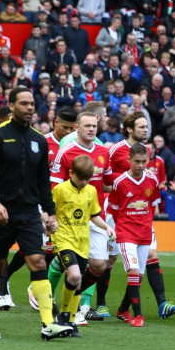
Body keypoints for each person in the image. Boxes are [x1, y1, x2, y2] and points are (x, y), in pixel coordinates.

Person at [0, 87, 72, 340]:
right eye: (23, 103)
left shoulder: (38, 140)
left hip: (30, 213)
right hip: (2, 213)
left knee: (38, 262)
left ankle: (47, 323)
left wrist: (50, 212)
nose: (30, 107)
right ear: (11, 106)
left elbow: (43, 181)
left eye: (32, 103)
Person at [106, 113, 175, 319]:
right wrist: (120, 187)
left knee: (148, 259)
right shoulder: (115, 149)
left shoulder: (147, 152)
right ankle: (97, 303)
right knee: (106, 260)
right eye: (141, 126)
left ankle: (161, 303)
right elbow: (103, 178)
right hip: (119, 213)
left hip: (141, 217)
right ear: (130, 128)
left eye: (147, 126)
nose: (146, 129)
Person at [50, 111, 113, 325]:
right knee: (75, 268)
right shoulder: (66, 152)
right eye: (87, 126)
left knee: (99, 265)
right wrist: (51, 215)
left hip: (94, 214)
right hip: (68, 218)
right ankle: (72, 307)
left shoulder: (104, 152)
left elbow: (107, 183)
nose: (91, 129)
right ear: (77, 127)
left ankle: (70, 297)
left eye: (94, 126)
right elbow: (54, 185)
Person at [108, 144, 162, 327]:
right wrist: (122, 228)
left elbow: (152, 205)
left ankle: (123, 309)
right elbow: (114, 210)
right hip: (126, 232)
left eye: (144, 162)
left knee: (138, 276)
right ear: (129, 160)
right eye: (137, 161)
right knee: (132, 271)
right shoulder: (120, 182)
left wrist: (146, 223)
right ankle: (138, 315)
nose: (140, 165)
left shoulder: (152, 180)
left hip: (144, 233)